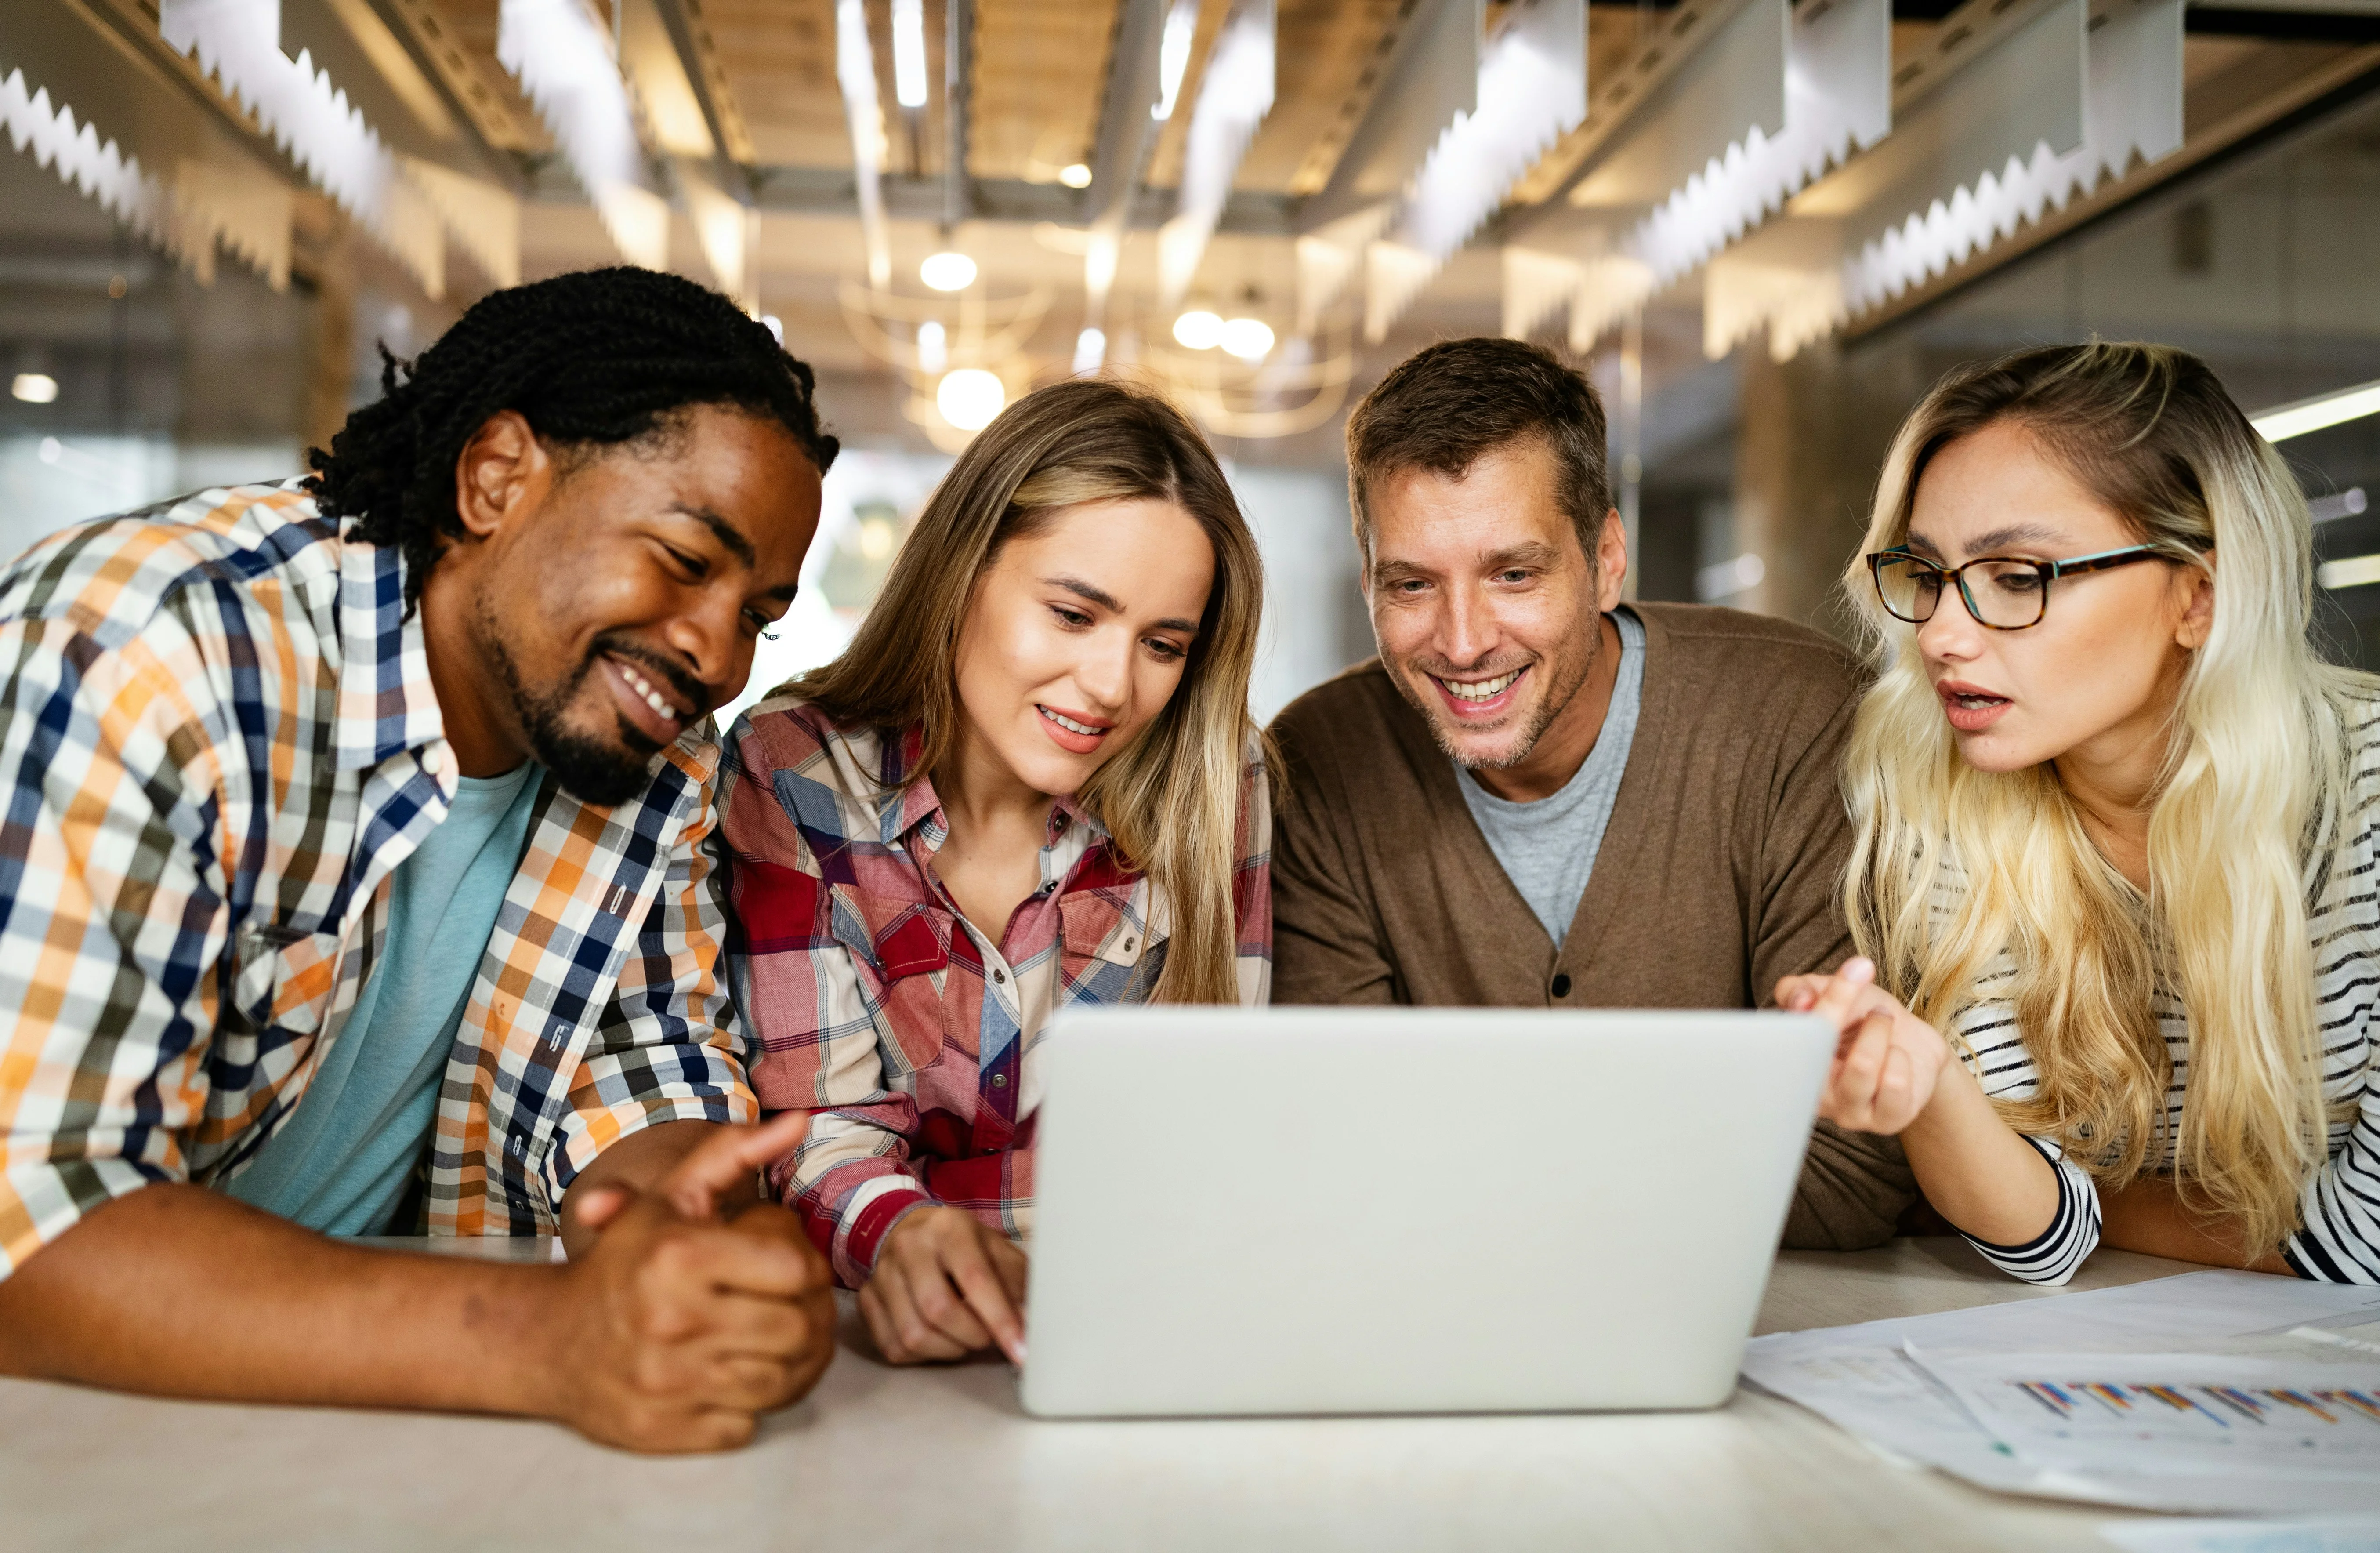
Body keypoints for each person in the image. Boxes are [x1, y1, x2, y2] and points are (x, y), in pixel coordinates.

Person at [0, 267, 844, 1451]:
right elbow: (29, 1219)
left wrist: (693, 1255)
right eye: (684, 558)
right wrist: (551, 1335)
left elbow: (642, 1065)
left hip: (356, 1428)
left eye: (758, 612)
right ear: (496, 476)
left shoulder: (649, 757)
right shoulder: (152, 653)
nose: (717, 650)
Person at [1268, 337, 1914, 1247]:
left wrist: (1473, 1166)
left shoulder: (1795, 717)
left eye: (1513, 575)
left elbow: (1850, 1172)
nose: (1460, 643)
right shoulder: (1318, 764)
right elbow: (1345, 1153)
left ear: (1607, 559)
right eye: (1410, 584)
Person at [1782, 341, 2380, 1284]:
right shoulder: (1942, 802)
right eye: (1927, 573)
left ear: (2198, 596)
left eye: (2017, 576)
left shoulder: (2364, 801)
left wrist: (2104, 1207)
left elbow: (2365, 1239)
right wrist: (1931, 1085)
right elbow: (2039, 1239)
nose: (1939, 632)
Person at [720, 379, 1270, 1366]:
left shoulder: (1217, 782)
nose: (1110, 687)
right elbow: (818, 1133)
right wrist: (903, 1232)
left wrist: (919, 1202)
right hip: (879, 1367)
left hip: (1143, 1345)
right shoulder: (793, 775)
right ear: (961, 570)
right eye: (1071, 615)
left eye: (1161, 645)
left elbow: (1217, 1139)